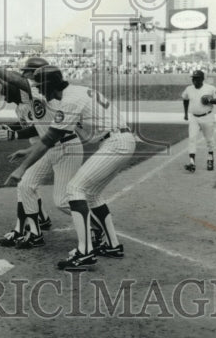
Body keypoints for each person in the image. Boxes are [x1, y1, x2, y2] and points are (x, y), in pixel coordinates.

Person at [13, 66, 136, 271]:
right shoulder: (77, 91)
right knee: (93, 195)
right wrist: (29, 152)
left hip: (115, 143)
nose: (39, 91)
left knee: (74, 189)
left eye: (41, 86)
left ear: (50, 85)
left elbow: (50, 139)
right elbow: (51, 136)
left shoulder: (69, 101)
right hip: (119, 140)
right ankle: (112, 245)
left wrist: (22, 168)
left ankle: (85, 252)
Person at [0, 45, 53, 244]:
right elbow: (6, 81)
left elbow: (12, 81)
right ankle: (42, 220)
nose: (3, 93)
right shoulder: (23, 103)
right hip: (41, 147)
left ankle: (23, 230)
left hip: (46, 148)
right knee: (29, 186)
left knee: (26, 185)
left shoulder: (34, 95)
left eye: (5, 91)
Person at [181, 68, 216, 172]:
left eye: (197, 78)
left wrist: (210, 100)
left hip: (207, 117)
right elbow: (185, 100)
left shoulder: (211, 88)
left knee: (209, 140)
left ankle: (210, 159)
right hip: (194, 117)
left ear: (202, 79)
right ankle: (192, 163)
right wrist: (186, 113)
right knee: (192, 138)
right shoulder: (189, 89)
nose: (195, 80)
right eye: (193, 78)